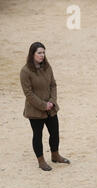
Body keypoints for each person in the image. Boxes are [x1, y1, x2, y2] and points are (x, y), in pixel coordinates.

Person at [20, 42, 70, 171]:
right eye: (39, 53)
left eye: (43, 52)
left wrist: (52, 101)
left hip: (51, 108)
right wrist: (43, 105)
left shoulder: (47, 67)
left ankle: (55, 155)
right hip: (35, 111)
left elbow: (53, 85)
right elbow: (28, 94)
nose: (42, 55)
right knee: (38, 135)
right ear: (32, 54)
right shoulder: (25, 71)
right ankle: (41, 160)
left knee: (54, 132)